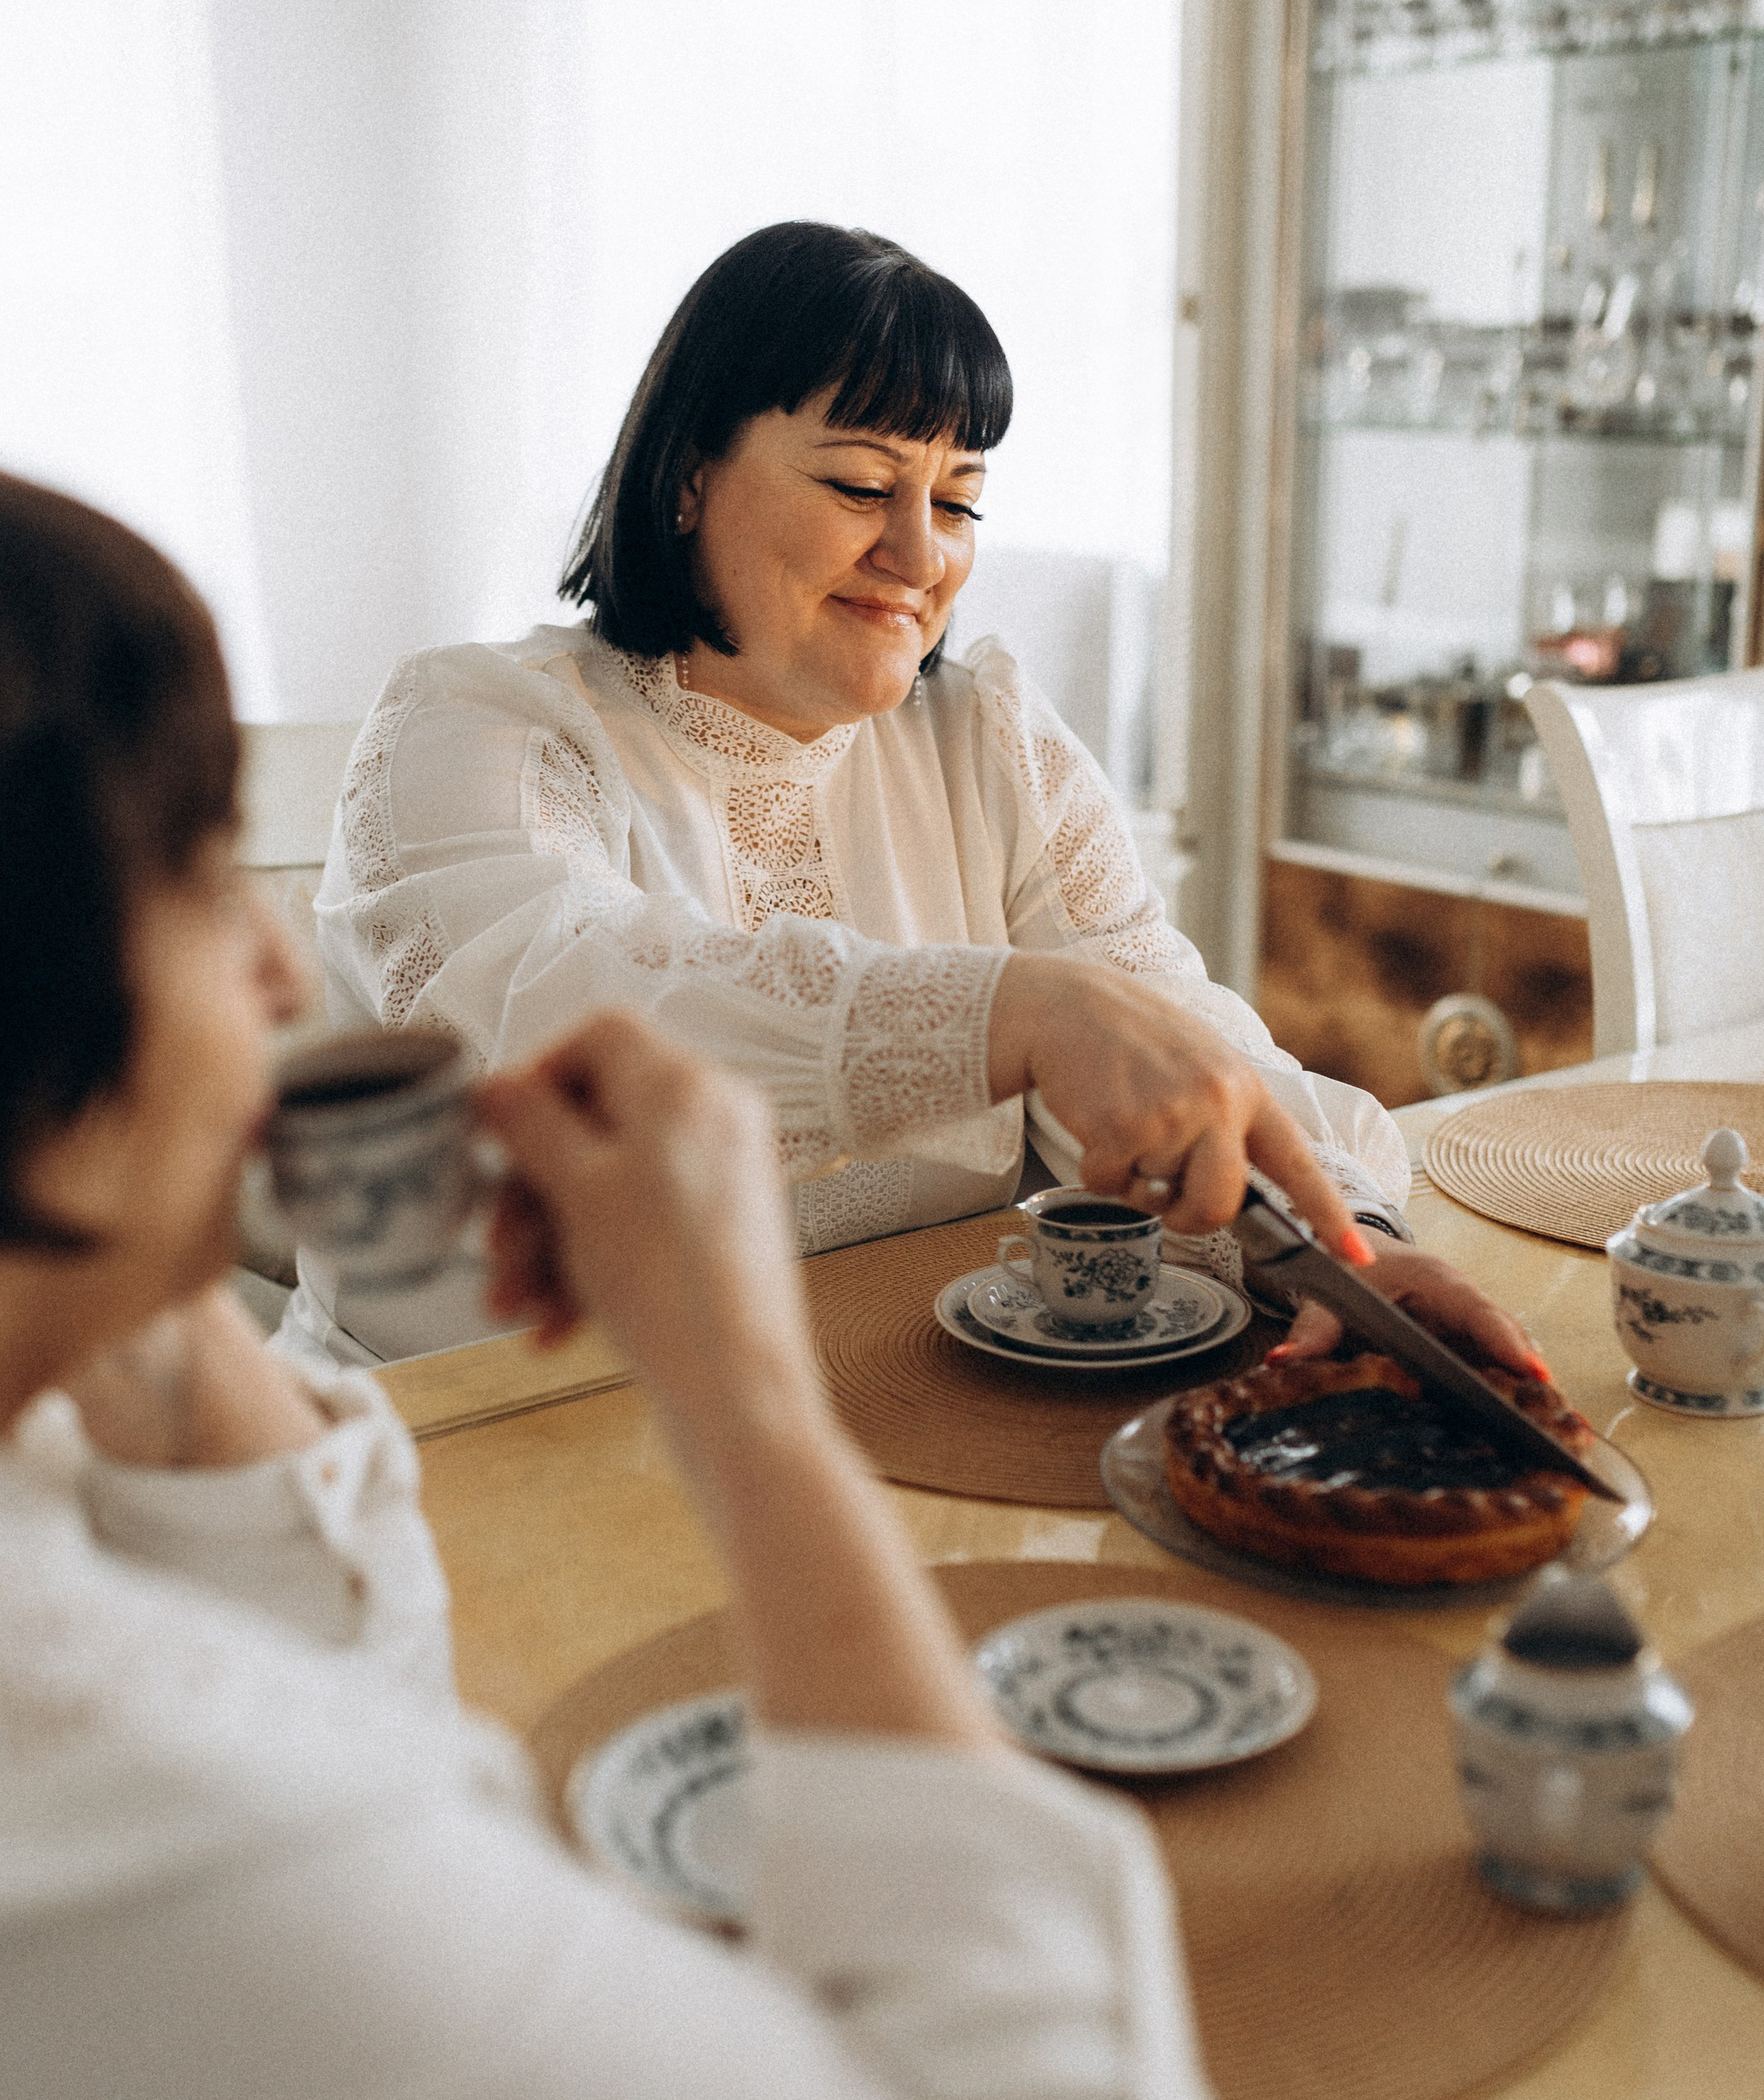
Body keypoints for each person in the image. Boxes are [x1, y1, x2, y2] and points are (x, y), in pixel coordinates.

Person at [0, 449, 1219, 2100]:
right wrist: (745, 1396)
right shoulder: (22, 1770)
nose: (283, 968)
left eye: (963, 495)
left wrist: (149, 1311)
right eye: (191, 874)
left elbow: (335, 1766)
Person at [295, 219, 1530, 1377]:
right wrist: (1011, 1011)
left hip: (885, 1400)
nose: (922, 555)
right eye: (857, 486)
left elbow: (1172, 1025)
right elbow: (563, 1010)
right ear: (685, 478)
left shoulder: (986, 738)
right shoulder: (475, 724)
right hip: (484, 1437)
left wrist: (1355, 1251)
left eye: (956, 501)